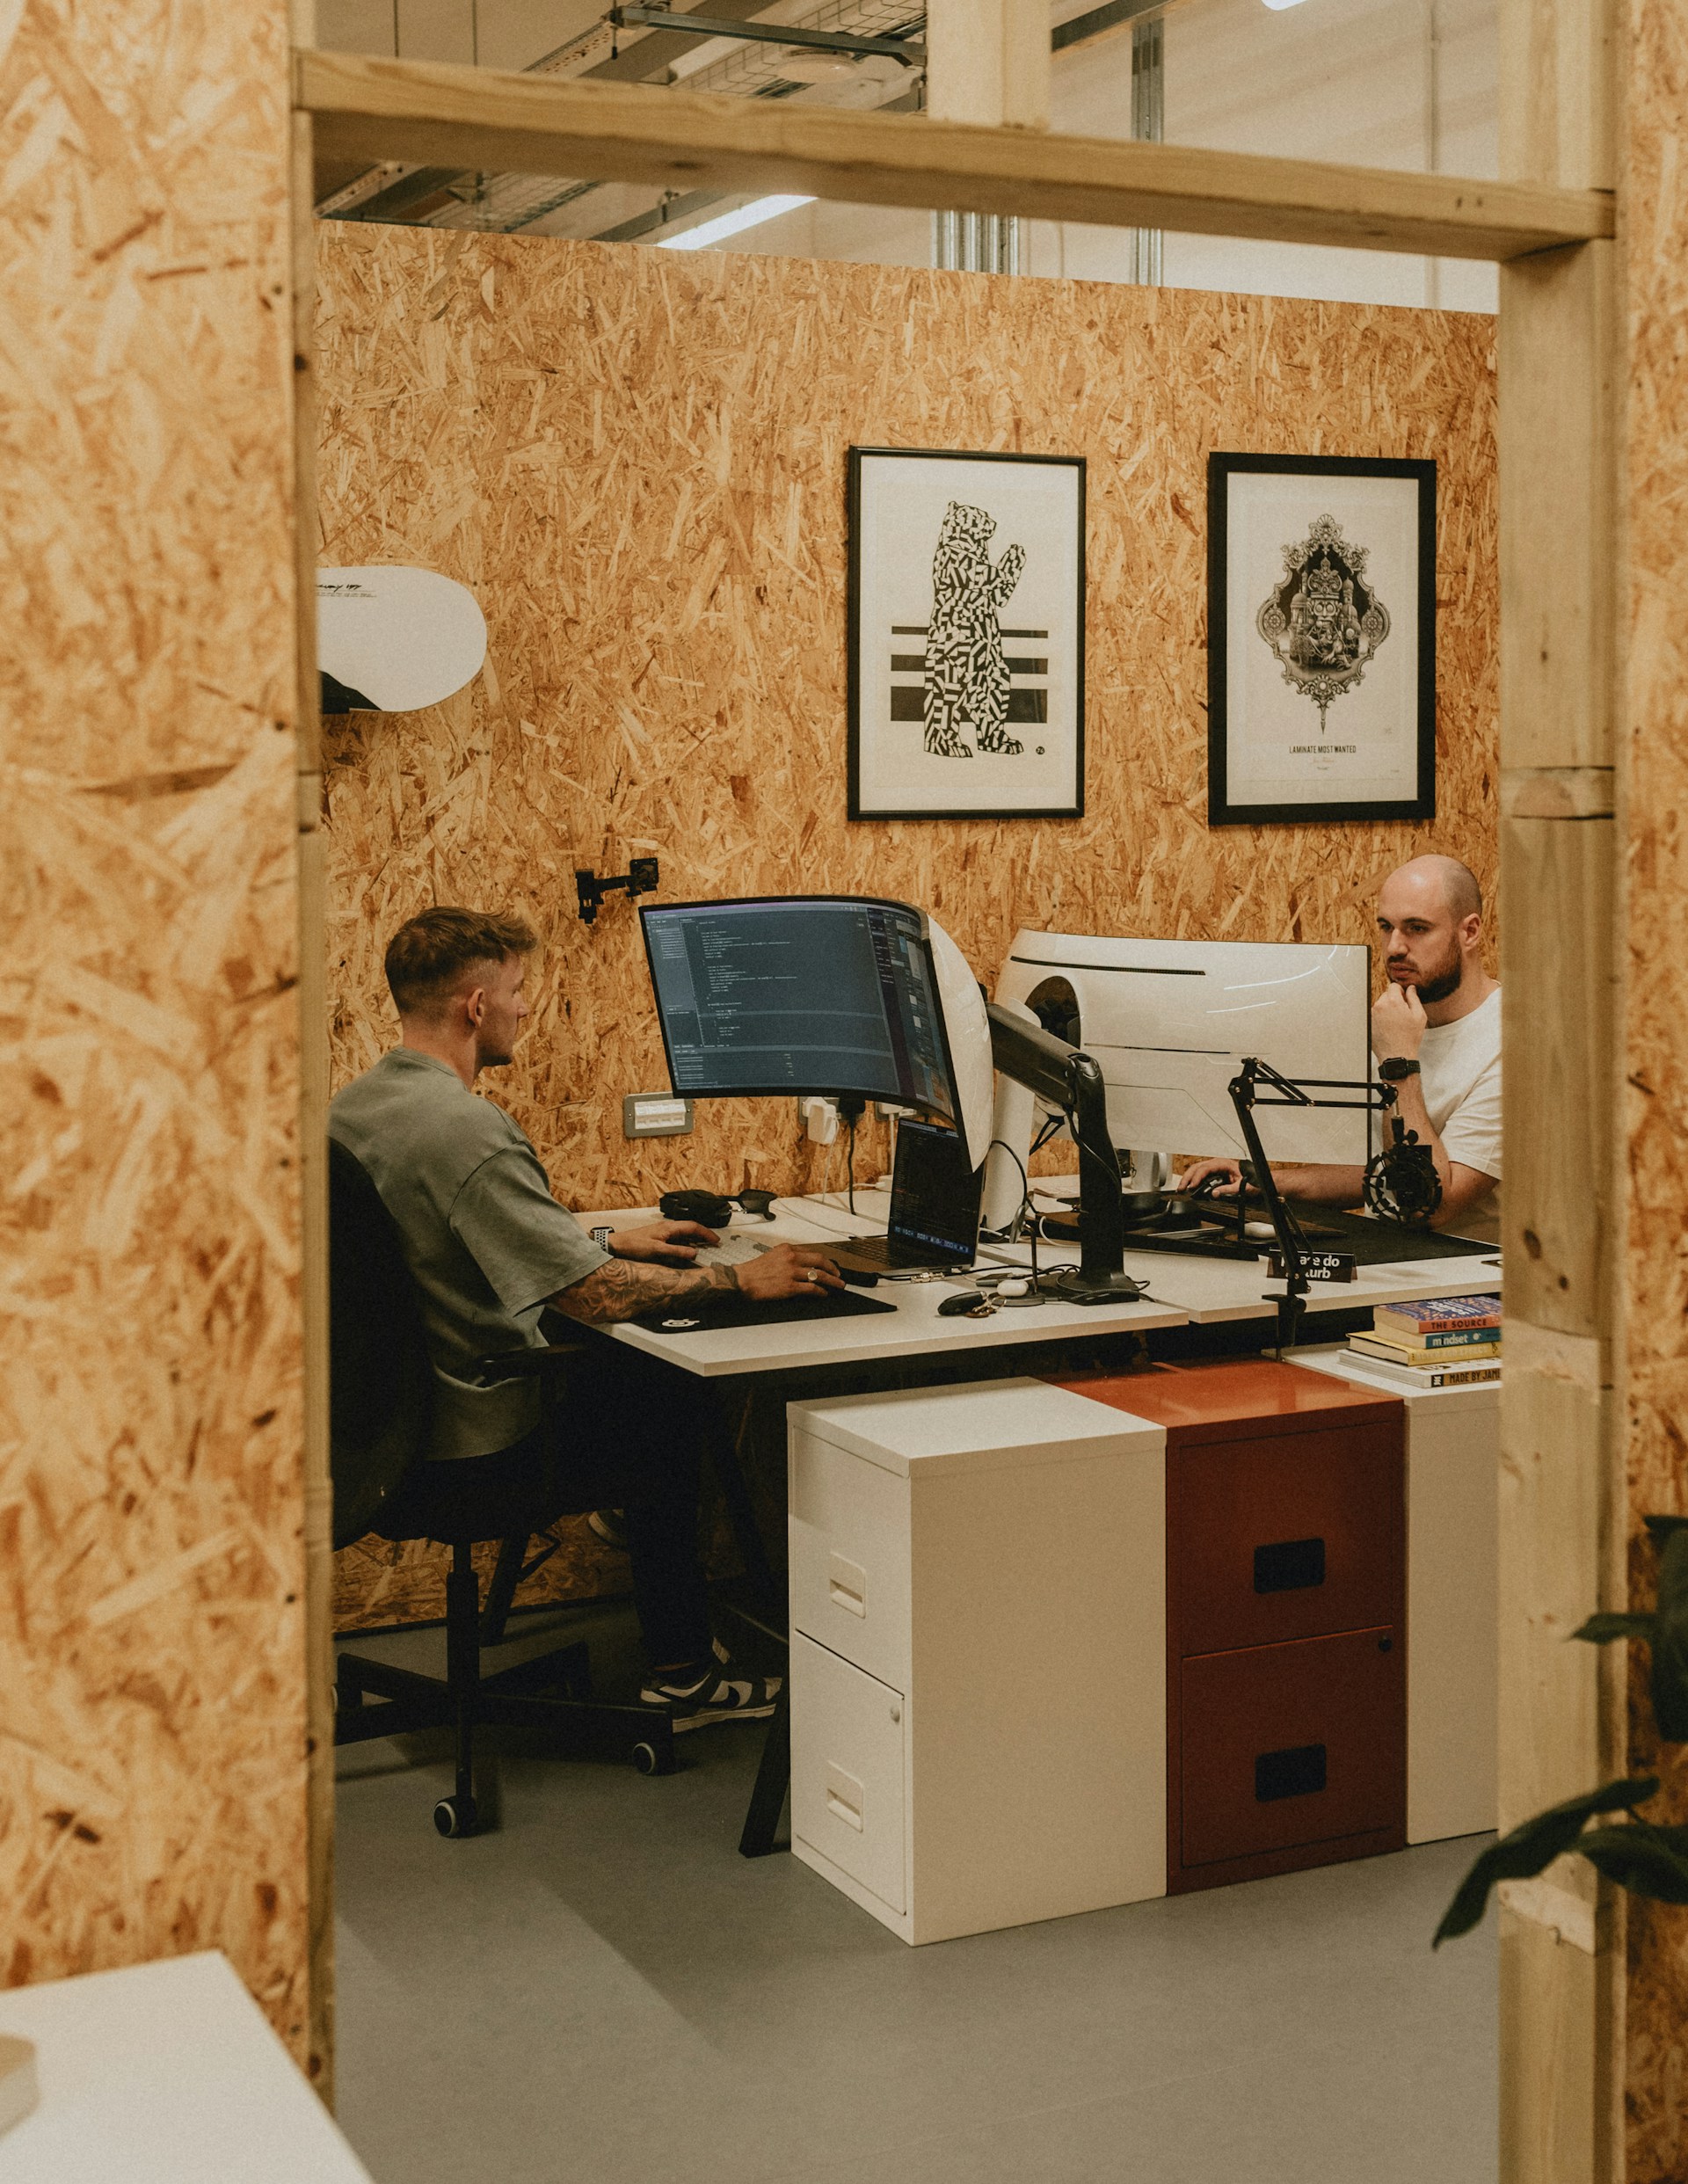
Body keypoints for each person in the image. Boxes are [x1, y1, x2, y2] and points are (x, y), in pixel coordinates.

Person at [329, 906, 844, 1729]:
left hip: (381, 1437)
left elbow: (443, 1234)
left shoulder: (354, 1110)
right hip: (474, 1443)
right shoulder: (470, 1131)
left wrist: (600, 1236)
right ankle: (682, 1672)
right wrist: (741, 1282)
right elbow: (592, 1297)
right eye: (518, 991)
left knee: (624, 1373)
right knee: (668, 1398)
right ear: (474, 1006)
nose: (526, 1008)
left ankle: (624, 1521)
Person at [1181, 854, 1502, 1245]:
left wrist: (1398, 1063)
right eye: (1386, 927)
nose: (1395, 948)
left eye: (1417, 928)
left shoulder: (1512, 1043)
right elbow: (1380, 1172)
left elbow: (1427, 1206)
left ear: (1469, 932)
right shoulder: (1396, 1022)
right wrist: (1261, 1180)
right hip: (1389, 1259)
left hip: (1469, 1277)